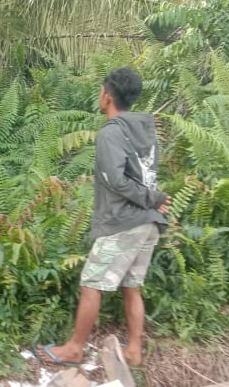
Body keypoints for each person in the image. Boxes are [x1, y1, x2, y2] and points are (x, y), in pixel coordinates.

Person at [38, 67, 171, 367]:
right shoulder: (144, 131)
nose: (99, 96)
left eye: (101, 91)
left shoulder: (110, 133)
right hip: (148, 223)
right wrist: (153, 199)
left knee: (91, 283)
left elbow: (117, 181)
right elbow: (144, 176)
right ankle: (134, 350)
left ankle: (74, 348)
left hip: (124, 220)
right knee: (131, 286)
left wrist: (152, 197)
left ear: (107, 96)